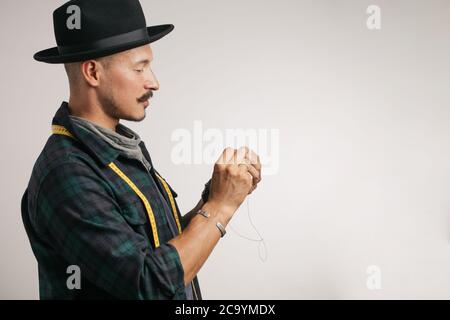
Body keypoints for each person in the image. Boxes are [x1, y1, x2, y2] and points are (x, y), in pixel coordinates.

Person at [21, 0, 262, 300]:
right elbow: (147, 285)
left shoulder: (121, 149)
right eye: (140, 68)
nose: (154, 82)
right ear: (93, 73)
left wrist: (215, 196)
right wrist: (219, 208)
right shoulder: (66, 173)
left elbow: (159, 250)